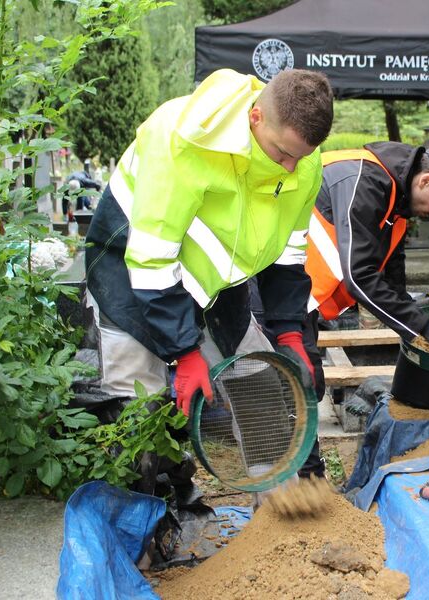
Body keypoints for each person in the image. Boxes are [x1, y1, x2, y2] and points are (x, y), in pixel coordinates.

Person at [83, 68, 334, 491]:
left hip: (216, 283)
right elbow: (150, 260)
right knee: (138, 414)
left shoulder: (302, 162)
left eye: (302, 156)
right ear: (255, 117)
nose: (292, 167)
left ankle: (281, 515)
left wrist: (289, 332)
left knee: (260, 382)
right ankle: (148, 524)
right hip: (130, 273)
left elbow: (290, 251)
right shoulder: (181, 141)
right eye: (282, 154)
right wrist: (185, 351)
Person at [296, 142, 429, 475]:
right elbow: (360, 277)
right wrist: (427, 332)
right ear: (425, 181)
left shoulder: (396, 206)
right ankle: (301, 484)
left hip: (303, 294)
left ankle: (307, 475)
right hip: (274, 286)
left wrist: (424, 329)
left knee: (307, 379)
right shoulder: (363, 182)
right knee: (298, 382)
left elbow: (392, 281)